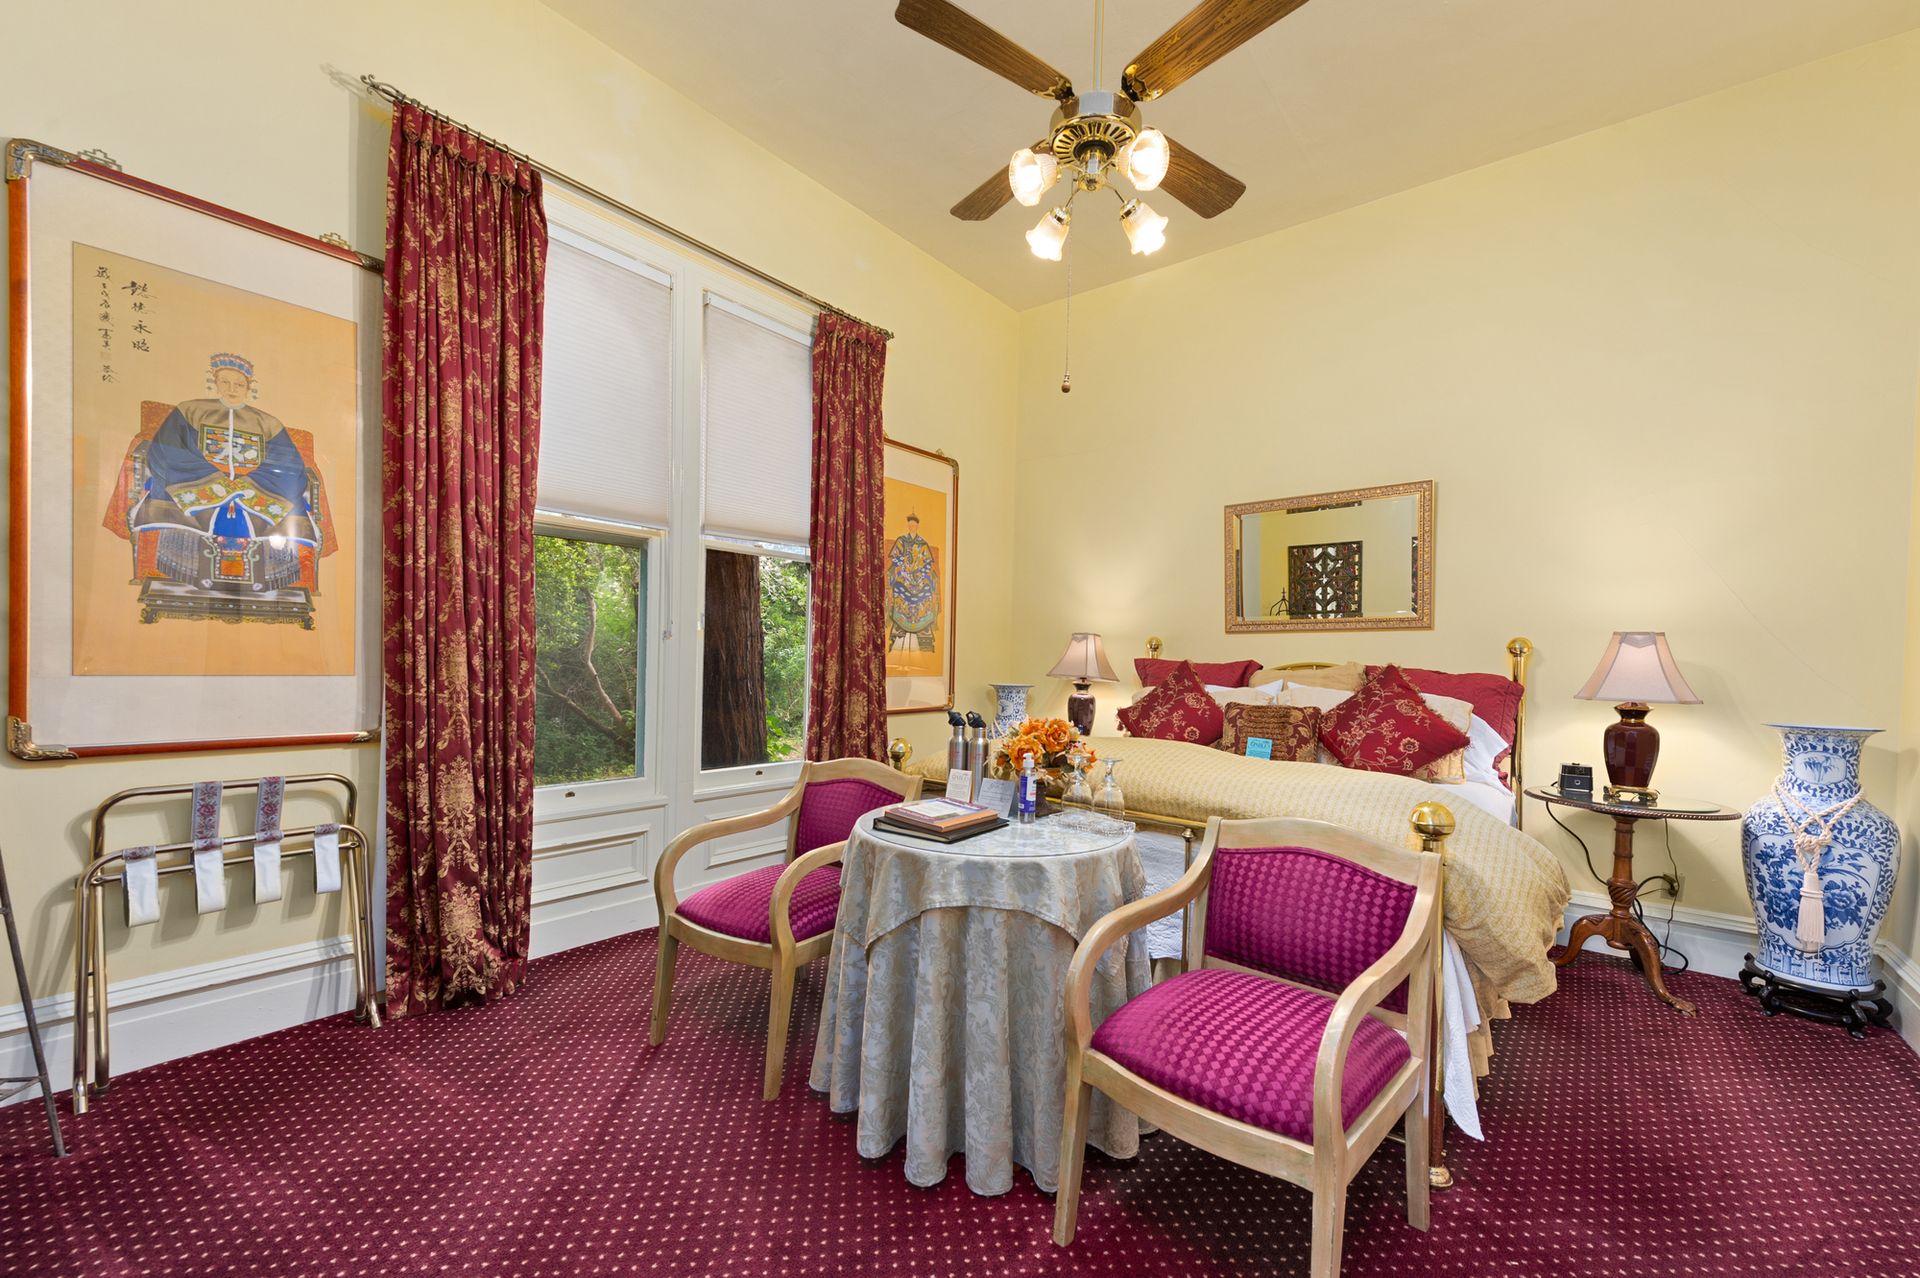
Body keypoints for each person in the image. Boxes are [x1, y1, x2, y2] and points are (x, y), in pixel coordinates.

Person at [129, 352, 319, 590]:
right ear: (214, 382)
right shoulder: (190, 410)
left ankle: (267, 580)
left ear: (250, 387)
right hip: (195, 477)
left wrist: (247, 483)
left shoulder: (267, 422)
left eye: (240, 384)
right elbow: (168, 450)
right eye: (225, 382)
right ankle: (181, 570)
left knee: (288, 503)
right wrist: (214, 478)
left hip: (258, 482)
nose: (232, 388)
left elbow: (288, 465)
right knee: (177, 495)